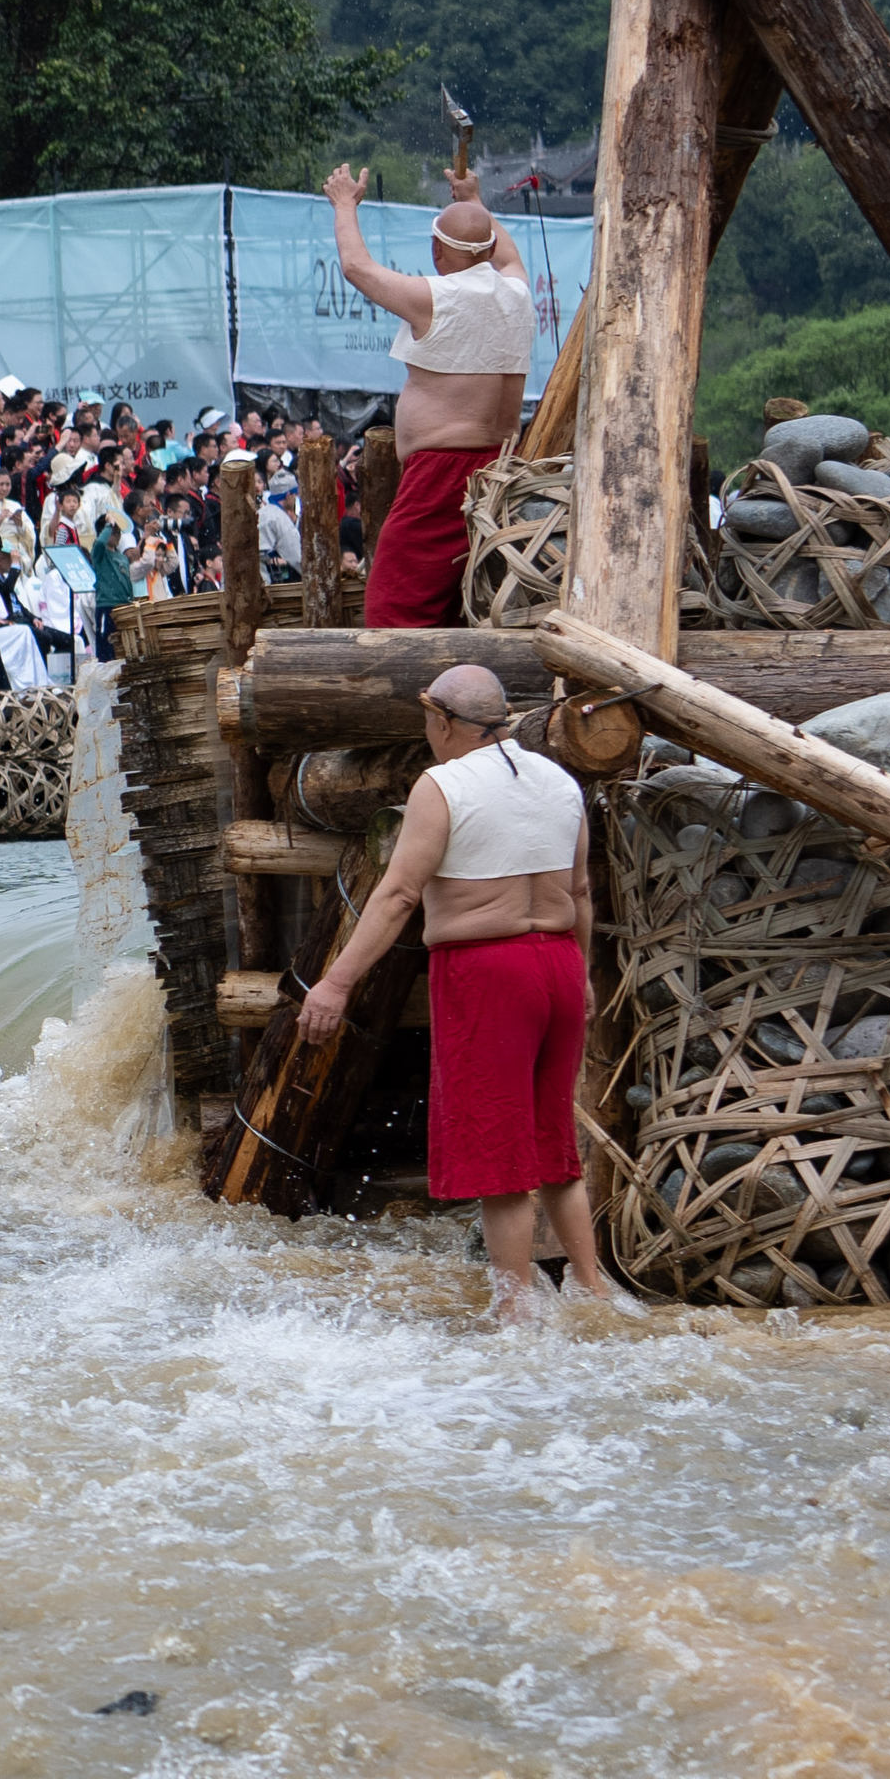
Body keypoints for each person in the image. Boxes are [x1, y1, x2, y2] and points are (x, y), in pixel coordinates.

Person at [294, 663, 611, 1317]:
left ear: (442, 720)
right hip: (558, 963)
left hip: (487, 972)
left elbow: (399, 895)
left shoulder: (442, 785)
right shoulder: (560, 780)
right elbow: (580, 891)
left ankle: (514, 1312)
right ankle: (593, 1292)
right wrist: (580, 976)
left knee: (501, 1158)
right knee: (554, 1148)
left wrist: (335, 982)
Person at [326, 160, 532, 627]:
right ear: (489, 248)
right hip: (501, 471)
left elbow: (356, 267)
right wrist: (473, 200)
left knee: (394, 614)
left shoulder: (435, 298)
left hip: (441, 477)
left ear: (436, 249)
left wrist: (344, 204)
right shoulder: (517, 294)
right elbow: (509, 258)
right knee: (466, 610)